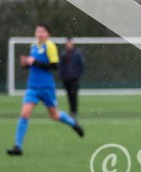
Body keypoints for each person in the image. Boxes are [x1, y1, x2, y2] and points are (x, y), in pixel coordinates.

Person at [6, 24, 84, 156]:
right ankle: (17, 147)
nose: (40, 33)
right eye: (38, 31)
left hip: (47, 88)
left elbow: (53, 66)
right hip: (33, 87)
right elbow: (33, 65)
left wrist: (33, 62)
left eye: (43, 31)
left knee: (54, 115)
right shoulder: (33, 46)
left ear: (48, 34)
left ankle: (72, 123)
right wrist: (26, 64)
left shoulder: (50, 46)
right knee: (24, 114)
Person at [58, 37, 84, 119]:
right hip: (66, 79)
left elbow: (81, 65)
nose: (69, 45)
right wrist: (61, 76)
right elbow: (60, 66)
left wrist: (79, 75)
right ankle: (71, 111)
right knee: (69, 95)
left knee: (74, 95)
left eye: (70, 43)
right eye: (67, 43)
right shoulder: (63, 54)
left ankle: (74, 111)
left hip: (74, 78)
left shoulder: (77, 54)